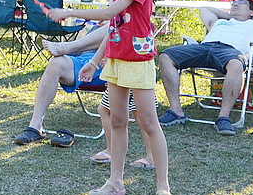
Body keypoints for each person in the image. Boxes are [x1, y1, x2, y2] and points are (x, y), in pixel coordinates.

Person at [48, 0, 173, 195]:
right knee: (117, 122)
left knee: (149, 124)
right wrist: (94, 60)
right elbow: (114, 27)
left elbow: (108, 14)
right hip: (115, 63)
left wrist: (68, 11)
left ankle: (164, 190)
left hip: (139, 63)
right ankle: (115, 182)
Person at [15, 14, 155, 169]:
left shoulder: (130, 23)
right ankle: (112, 154)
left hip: (125, 67)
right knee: (105, 110)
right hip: (96, 62)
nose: (110, 17)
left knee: (144, 116)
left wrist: (71, 12)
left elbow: (119, 33)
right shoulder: (103, 27)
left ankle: (152, 159)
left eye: (113, 12)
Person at [158, 0, 253, 135]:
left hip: (230, 52)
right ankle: (176, 111)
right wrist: (229, 17)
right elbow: (204, 8)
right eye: (234, 3)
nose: (235, 5)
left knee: (236, 65)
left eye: (241, 3)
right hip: (205, 48)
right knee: (166, 56)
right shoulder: (218, 23)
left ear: (251, 11)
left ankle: (223, 117)